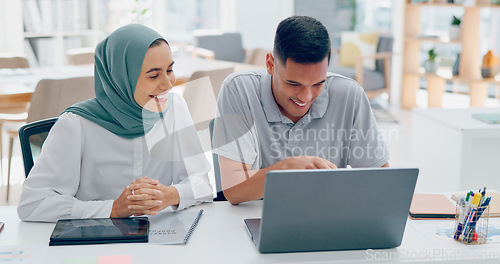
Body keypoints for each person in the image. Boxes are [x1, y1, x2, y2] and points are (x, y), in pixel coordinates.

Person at [17, 24, 213, 222]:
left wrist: (171, 195)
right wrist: (112, 209)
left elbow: (202, 183)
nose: (168, 83)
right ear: (121, 77)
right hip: (94, 241)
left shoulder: (174, 107)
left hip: (159, 237)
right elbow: (32, 204)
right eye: (154, 75)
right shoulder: (76, 124)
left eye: (170, 70)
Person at [212, 16, 389, 205]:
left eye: (318, 84)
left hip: (328, 215)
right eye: (293, 83)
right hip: (260, 215)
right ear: (270, 64)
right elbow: (232, 190)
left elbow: (381, 181)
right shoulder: (239, 90)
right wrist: (286, 169)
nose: (305, 97)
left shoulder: (349, 94)